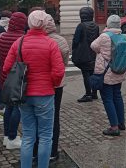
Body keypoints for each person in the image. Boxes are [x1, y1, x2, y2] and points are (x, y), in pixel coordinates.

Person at [2, 10, 64, 168]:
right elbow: (58, 72)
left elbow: (7, 67)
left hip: (24, 94)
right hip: (45, 94)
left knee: (28, 135)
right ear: (44, 24)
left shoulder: (19, 43)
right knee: (45, 136)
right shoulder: (51, 44)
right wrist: (51, 83)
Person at [0, 12, 27, 150]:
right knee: (16, 107)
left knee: (7, 108)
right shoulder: (23, 39)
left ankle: (6, 136)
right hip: (18, 76)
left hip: (4, 77)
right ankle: (12, 137)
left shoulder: (0, 37)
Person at [91, 15, 126, 136]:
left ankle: (114, 127)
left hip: (106, 72)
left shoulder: (104, 36)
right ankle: (121, 122)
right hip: (119, 69)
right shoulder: (124, 36)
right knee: (117, 96)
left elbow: (93, 46)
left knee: (108, 99)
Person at [42, 14, 70, 161]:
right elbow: (64, 61)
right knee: (54, 116)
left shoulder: (31, 40)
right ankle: (53, 151)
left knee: (37, 118)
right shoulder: (60, 41)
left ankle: (37, 151)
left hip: (38, 84)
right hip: (56, 83)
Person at [72, 7, 100, 102]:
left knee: (86, 74)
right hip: (93, 53)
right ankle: (94, 93)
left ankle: (88, 94)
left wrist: (74, 50)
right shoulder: (96, 26)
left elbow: (76, 40)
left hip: (83, 54)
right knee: (93, 73)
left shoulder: (81, 26)